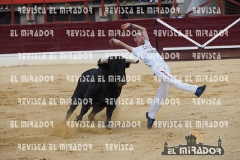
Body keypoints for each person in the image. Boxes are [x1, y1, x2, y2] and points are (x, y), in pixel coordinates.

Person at [109, 23, 206, 129]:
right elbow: (119, 43)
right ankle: (196, 90)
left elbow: (144, 28)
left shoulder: (147, 43)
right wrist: (113, 41)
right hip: (157, 68)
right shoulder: (136, 50)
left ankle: (150, 116)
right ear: (135, 40)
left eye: (142, 35)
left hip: (164, 66)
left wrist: (131, 25)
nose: (141, 37)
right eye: (139, 36)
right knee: (173, 81)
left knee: (162, 94)